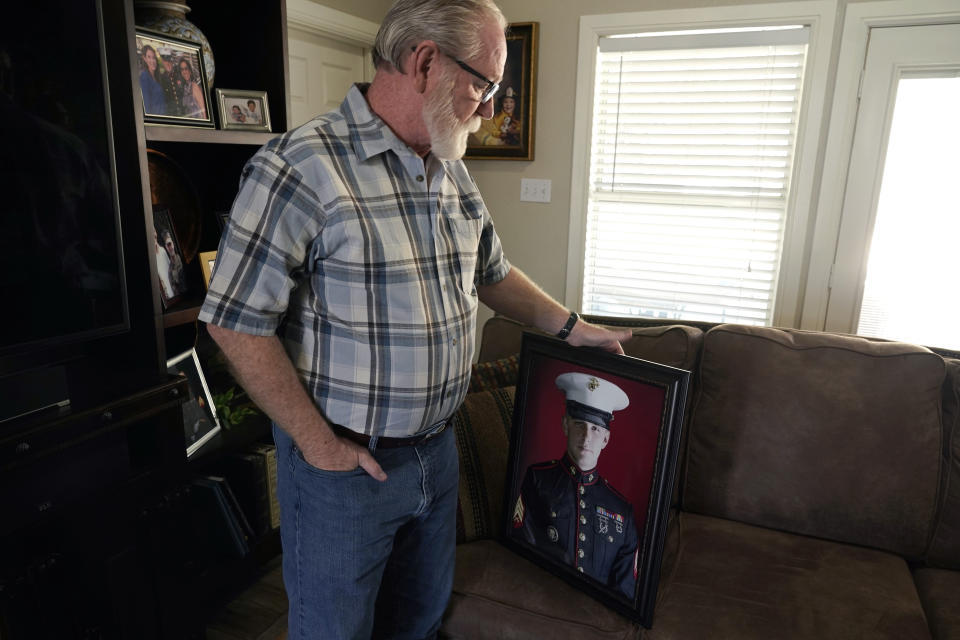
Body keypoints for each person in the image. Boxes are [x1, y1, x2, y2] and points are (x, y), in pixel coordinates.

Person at [198, 0, 632, 637]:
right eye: (483, 84)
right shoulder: (298, 168)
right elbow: (234, 320)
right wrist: (319, 446)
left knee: (419, 623)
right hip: (346, 469)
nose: (489, 108)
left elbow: (493, 273)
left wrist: (574, 328)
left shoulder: (450, 168)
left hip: (437, 455)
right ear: (425, 62)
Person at [512, 372, 640, 598]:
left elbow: (624, 591)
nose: (586, 436)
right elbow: (521, 552)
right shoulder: (538, 480)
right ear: (565, 425)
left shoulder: (623, 511)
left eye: (595, 429)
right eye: (579, 424)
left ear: (606, 439)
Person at [138, 44, 166, 115]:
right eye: (149, 57)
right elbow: (146, 107)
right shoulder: (144, 77)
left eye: (153, 57)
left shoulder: (157, 76)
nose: (152, 61)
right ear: (144, 59)